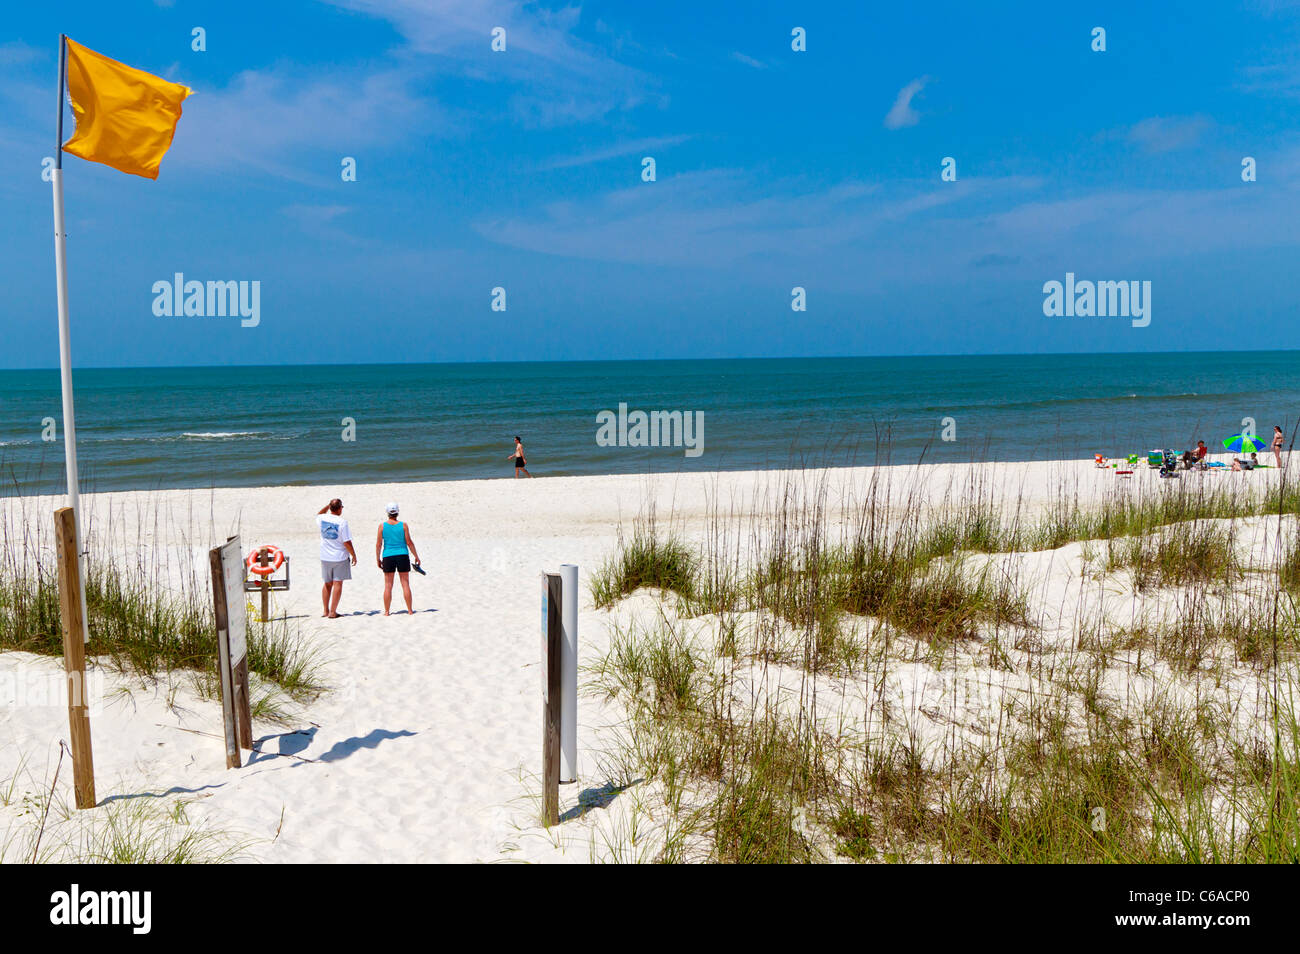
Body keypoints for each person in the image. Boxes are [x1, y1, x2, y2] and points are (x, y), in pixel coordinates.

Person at [376, 502, 421, 616]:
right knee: (405, 583)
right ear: (397, 512)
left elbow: (378, 544)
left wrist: (377, 558)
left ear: (387, 513)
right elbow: (409, 542)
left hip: (388, 556)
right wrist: (416, 556)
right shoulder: (403, 525)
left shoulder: (382, 526)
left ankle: (387, 611)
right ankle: (410, 610)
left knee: (388, 585)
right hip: (402, 555)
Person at [317, 499, 357, 618]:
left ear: (330, 508)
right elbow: (346, 541)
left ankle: (325, 610)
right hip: (339, 557)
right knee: (337, 583)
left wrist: (328, 506)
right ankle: (332, 612)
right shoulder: (342, 522)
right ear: (339, 508)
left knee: (327, 584)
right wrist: (354, 555)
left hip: (325, 556)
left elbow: (319, 514)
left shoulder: (322, 518)